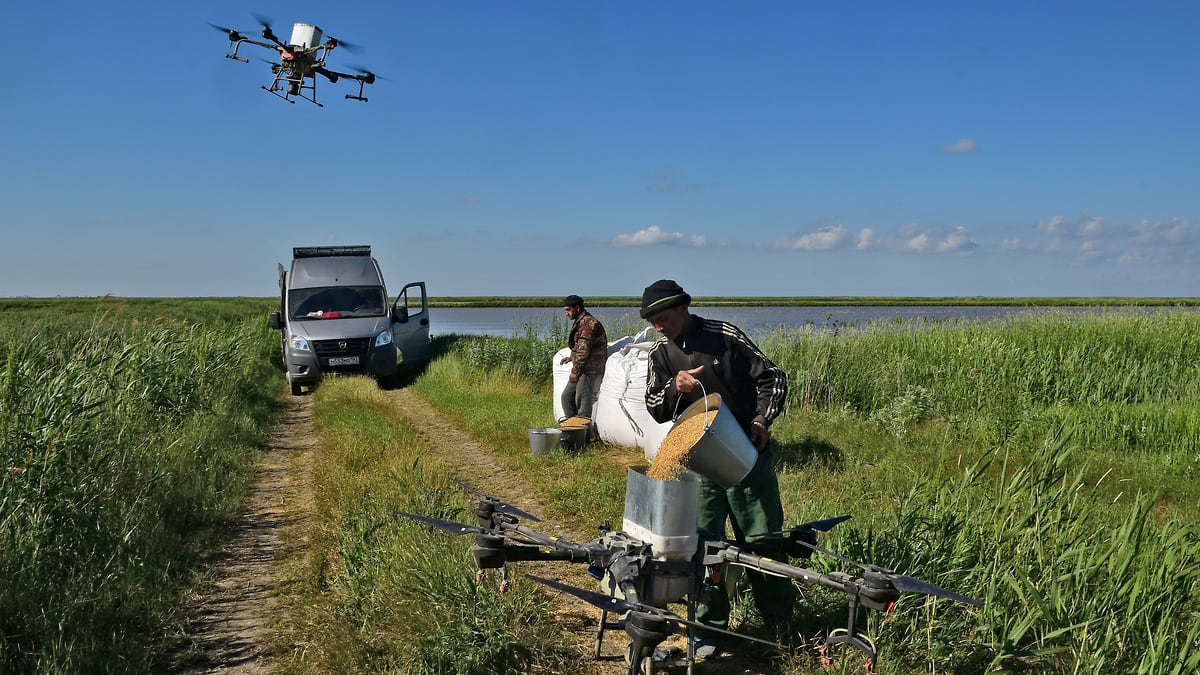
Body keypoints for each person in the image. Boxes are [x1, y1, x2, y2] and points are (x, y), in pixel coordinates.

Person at [640, 279, 794, 659]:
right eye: (652, 321)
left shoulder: (723, 336)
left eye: (663, 318)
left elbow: (773, 378)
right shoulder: (660, 353)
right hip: (698, 461)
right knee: (704, 547)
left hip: (747, 454)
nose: (659, 326)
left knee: (764, 542)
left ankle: (779, 628)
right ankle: (707, 630)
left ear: (683, 309)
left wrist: (761, 421)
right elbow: (654, 405)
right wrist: (676, 388)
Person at [558, 295, 607, 423]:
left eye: (568, 310)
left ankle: (582, 434)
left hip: (589, 368)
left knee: (582, 401)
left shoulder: (588, 324)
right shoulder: (581, 322)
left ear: (577, 308)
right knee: (566, 397)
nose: (566, 313)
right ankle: (571, 427)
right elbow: (580, 346)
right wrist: (571, 357)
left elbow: (584, 350)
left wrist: (575, 371)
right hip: (583, 366)